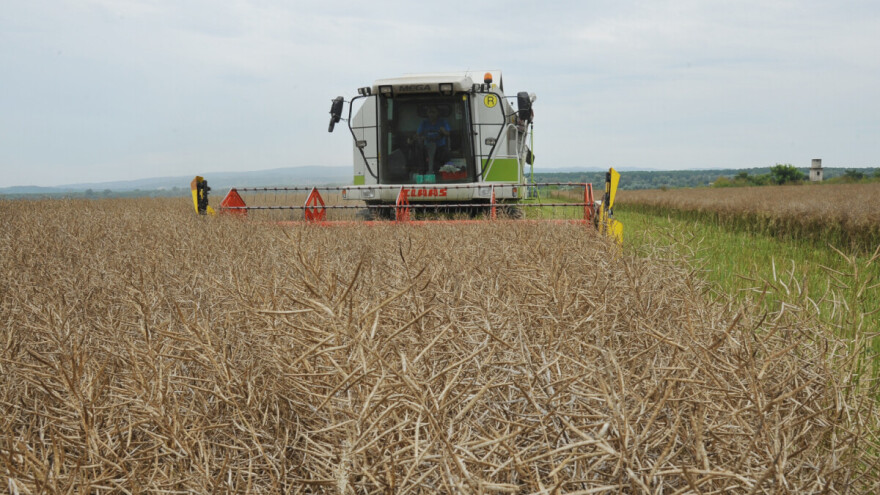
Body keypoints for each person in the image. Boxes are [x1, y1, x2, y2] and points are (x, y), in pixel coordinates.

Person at [413, 106, 451, 173]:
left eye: (433, 112)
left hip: (440, 147)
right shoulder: (424, 123)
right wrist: (414, 138)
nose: (431, 114)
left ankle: (443, 171)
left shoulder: (443, 122)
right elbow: (418, 134)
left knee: (445, 153)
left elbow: (448, 133)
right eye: (430, 112)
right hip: (427, 148)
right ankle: (422, 171)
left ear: (437, 113)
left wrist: (443, 131)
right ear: (427, 113)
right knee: (419, 151)